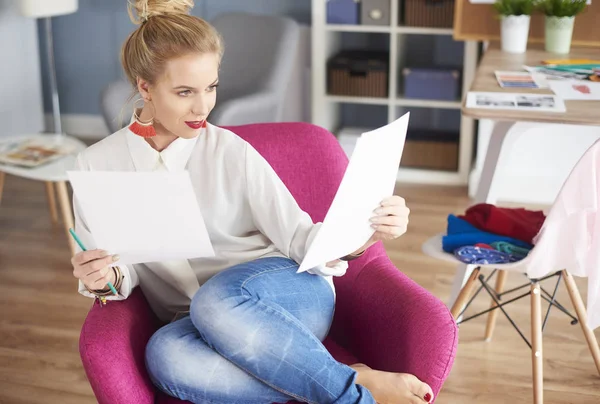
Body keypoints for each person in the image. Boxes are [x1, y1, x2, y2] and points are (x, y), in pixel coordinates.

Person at [70, 1, 434, 403]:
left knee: (215, 300)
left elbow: (300, 238)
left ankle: (351, 399)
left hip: (287, 295)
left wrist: (369, 231)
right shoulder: (96, 166)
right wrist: (104, 278)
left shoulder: (230, 150)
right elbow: (121, 268)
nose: (203, 107)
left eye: (211, 88)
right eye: (185, 92)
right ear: (144, 87)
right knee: (165, 355)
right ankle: (347, 379)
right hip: (196, 322)